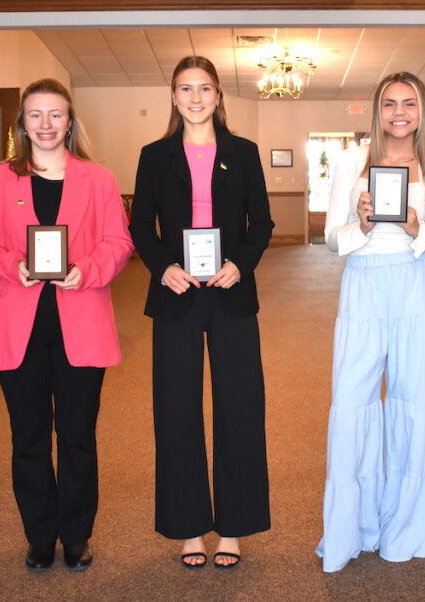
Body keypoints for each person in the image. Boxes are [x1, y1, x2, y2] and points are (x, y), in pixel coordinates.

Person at [0, 78, 133, 572]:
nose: (46, 125)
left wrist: (89, 270)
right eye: (35, 115)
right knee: (29, 437)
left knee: (78, 435)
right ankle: (39, 536)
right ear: (22, 123)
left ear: (70, 122)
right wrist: (13, 265)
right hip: (20, 326)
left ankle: (76, 535)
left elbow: (119, 243)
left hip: (82, 321)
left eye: (56, 115)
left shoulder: (98, 179)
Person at [130, 56, 273, 570]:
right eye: (185, 89)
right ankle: (188, 526)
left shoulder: (244, 153)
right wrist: (164, 266)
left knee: (239, 407)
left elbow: (262, 223)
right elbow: (141, 226)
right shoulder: (154, 155)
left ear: (218, 97)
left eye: (205, 89)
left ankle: (233, 527)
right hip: (177, 292)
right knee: (176, 409)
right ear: (174, 97)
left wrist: (241, 263)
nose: (195, 98)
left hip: (231, 290)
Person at [317, 71, 425, 573]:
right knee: (353, 401)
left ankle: (410, 523)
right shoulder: (354, 160)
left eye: (410, 103)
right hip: (365, 284)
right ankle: (353, 528)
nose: (400, 112)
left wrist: (417, 228)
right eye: (390, 103)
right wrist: (364, 223)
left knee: (415, 401)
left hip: (416, 286)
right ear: (377, 111)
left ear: (422, 112)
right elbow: (332, 239)